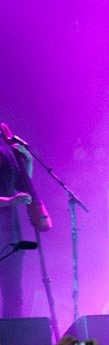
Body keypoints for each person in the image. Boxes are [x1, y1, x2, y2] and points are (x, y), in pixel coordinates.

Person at [0, 129, 52, 318]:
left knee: (13, 294)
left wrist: (28, 161)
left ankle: (12, 334)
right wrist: (9, 201)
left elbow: (22, 185)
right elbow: (13, 196)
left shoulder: (5, 146)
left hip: (9, 232)